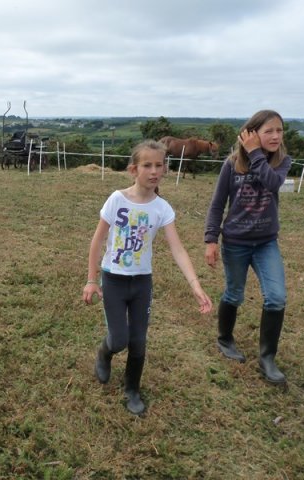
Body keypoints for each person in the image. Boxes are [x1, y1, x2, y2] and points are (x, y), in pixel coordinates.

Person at [83, 140, 212, 415]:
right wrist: (92, 280)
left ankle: (132, 389)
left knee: (138, 341)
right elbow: (97, 241)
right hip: (114, 280)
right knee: (119, 339)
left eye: (159, 165)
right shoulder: (117, 199)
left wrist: (195, 285)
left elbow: (178, 248)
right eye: (148, 165)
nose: (154, 171)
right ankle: (105, 353)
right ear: (134, 169)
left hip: (141, 283)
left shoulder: (162, 208)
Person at [204, 109, 291, 385]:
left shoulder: (282, 162)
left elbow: (272, 183)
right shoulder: (231, 164)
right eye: (269, 131)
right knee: (234, 293)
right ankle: (225, 339)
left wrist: (255, 153)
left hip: (266, 243)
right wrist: (210, 240)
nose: (276, 136)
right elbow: (217, 204)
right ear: (251, 134)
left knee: (276, 297)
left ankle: (267, 358)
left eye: (279, 130)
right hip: (236, 242)